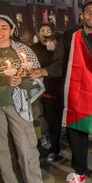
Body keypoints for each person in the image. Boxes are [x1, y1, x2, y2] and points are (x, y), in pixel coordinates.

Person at [32, 0, 92, 183]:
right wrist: (44, 72)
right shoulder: (70, 36)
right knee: (77, 135)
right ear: (82, 15)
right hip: (75, 94)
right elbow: (60, 62)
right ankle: (79, 172)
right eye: (88, 12)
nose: (91, 15)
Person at [0, 15, 48, 183]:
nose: (0, 31)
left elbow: (36, 78)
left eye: (4, 27)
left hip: (17, 104)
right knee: (2, 150)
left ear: (12, 30)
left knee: (26, 147)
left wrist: (22, 81)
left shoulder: (23, 51)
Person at [31, 23, 63, 162]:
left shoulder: (58, 49)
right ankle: (53, 148)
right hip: (44, 91)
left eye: (48, 30)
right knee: (49, 121)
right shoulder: (33, 50)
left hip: (61, 90)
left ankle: (64, 145)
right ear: (38, 33)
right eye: (42, 30)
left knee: (62, 121)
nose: (46, 33)